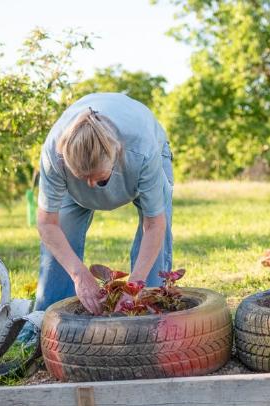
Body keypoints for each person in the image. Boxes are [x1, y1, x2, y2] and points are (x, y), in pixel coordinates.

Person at [33, 93, 173, 316]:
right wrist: (79, 274)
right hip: (75, 175)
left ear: (115, 155)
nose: (90, 185)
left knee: (155, 247)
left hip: (142, 157)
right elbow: (47, 224)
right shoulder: (54, 154)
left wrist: (134, 286)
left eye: (98, 179)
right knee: (61, 242)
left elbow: (154, 225)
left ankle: (151, 319)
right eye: (81, 178)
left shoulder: (142, 150)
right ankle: (46, 320)